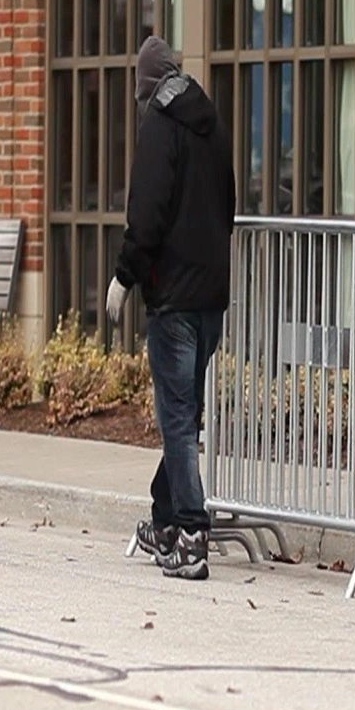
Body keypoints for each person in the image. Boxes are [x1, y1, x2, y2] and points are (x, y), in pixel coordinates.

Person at [106, 36, 236, 581]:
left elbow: (148, 211)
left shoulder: (159, 126)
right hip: (210, 296)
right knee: (183, 416)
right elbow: (228, 201)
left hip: (174, 299)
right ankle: (165, 518)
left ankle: (189, 530)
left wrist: (124, 276)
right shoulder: (210, 121)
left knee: (177, 420)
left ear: (147, 88)